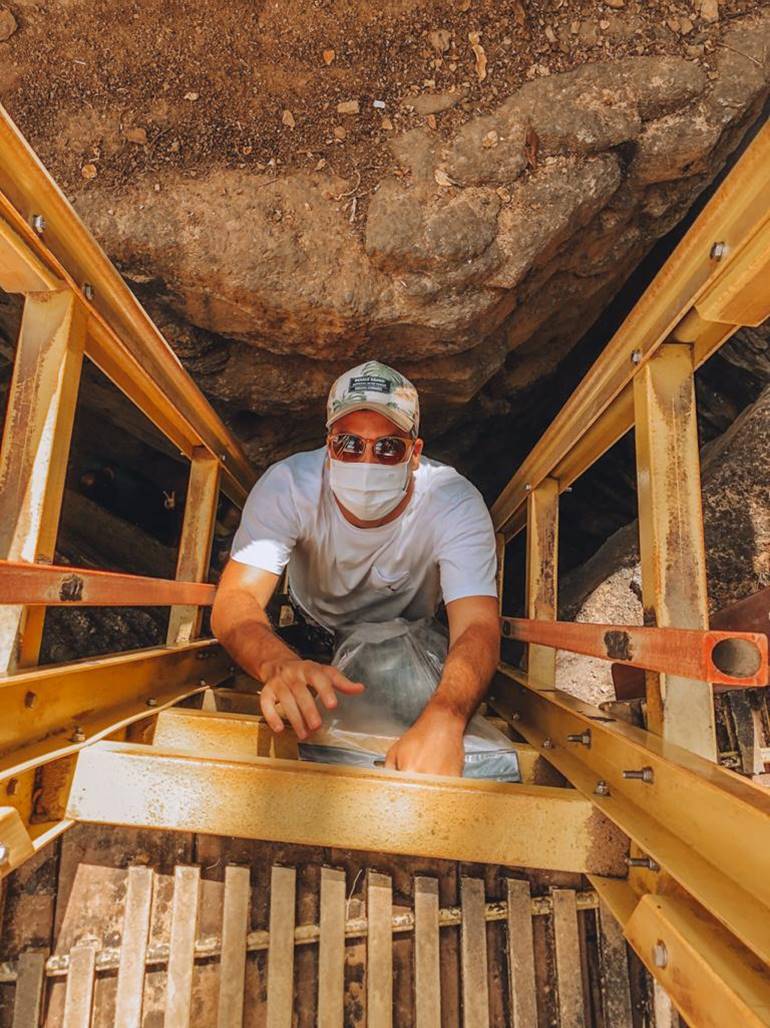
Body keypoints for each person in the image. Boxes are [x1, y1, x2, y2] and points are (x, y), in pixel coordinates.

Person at [211, 360, 500, 777]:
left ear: (414, 454)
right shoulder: (289, 485)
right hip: (310, 631)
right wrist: (278, 664)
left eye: (388, 448)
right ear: (329, 445)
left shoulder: (453, 502)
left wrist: (446, 716)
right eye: (349, 444)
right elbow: (236, 599)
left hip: (406, 643)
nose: (366, 461)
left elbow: (477, 626)